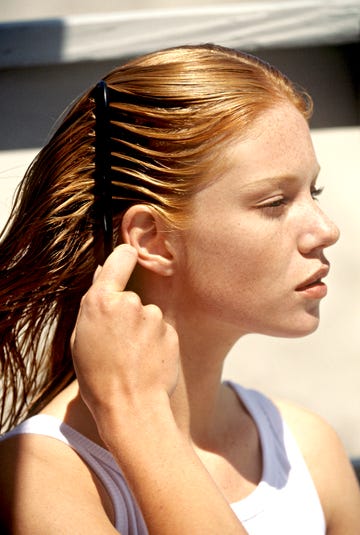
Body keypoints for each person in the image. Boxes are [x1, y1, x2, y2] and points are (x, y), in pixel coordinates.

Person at [0, 43, 359, 534]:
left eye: (311, 193)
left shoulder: (307, 449)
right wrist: (136, 415)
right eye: (275, 202)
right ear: (152, 239)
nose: (325, 229)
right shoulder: (45, 477)